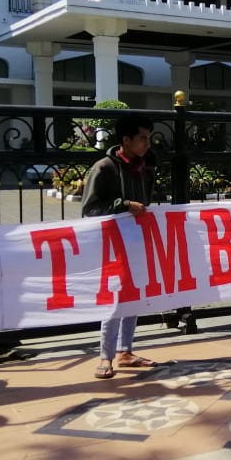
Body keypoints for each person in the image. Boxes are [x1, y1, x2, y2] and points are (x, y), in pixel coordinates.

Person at [82, 113, 160, 379]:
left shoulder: (147, 164)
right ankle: (106, 356)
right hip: (113, 244)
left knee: (134, 295)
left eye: (149, 138)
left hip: (138, 240)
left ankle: (125, 351)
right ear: (125, 140)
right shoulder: (104, 168)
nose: (147, 144)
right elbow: (90, 209)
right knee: (114, 298)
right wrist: (124, 205)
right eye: (142, 138)